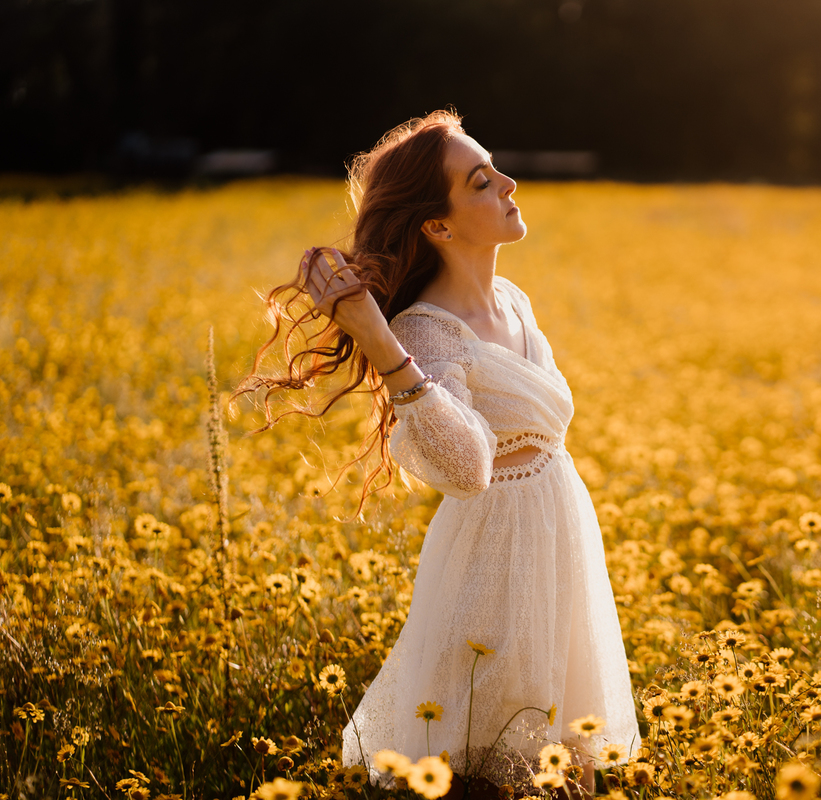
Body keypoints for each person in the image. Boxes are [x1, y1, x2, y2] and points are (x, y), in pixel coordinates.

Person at [235, 110, 641, 799]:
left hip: (558, 544)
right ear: (439, 226)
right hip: (496, 567)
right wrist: (376, 338)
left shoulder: (512, 301)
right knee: (490, 764)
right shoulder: (425, 332)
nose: (509, 183)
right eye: (482, 181)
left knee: (565, 765)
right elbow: (467, 469)